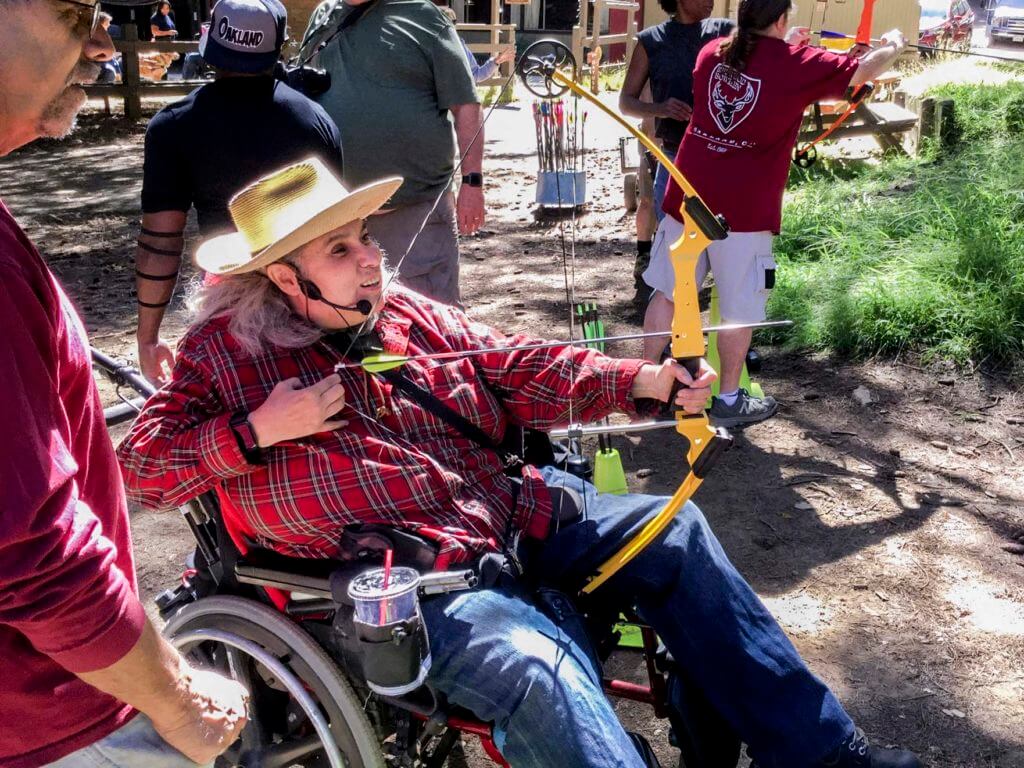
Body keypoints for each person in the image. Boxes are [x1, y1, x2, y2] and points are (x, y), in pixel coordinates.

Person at [118, 157, 922, 768]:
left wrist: (640, 381)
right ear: (280, 279)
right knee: (539, 665)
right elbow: (140, 469)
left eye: (364, 236)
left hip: (516, 513)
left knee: (674, 537)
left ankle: (821, 753)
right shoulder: (221, 358)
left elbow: (510, 365)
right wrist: (257, 430)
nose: (370, 258)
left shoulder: (397, 315)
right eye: (341, 249)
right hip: (414, 586)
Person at [0, 3, 248, 767]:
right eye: (77, 13)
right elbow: (32, 551)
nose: (105, 43)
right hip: (53, 718)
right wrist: (175, 699)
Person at [643, 0, 906, 428]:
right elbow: (862, 71)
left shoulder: (714, 52)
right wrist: (893, 45)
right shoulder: (794, 63)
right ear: (781, 20)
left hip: (688, 195)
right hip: (743, 211)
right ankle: (728, 398)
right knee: (738, 309)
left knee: (668, 293)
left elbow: (758, 67)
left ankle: (645, 388)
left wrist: (788, 47)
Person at [135, 0, 344, 383]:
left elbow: (160, 242)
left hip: (228, 304)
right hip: (313, 298)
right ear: (277, 48)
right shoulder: (315, 119)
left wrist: (147, 337)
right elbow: (337, 226)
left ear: (213, 46)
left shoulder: (173, 127)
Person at [301, 0, 485, 306]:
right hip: (337, 218)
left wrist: (473, 182)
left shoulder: (422, 14)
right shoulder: (323, 15)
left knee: (430, 323)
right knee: (351, 327)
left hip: (413, 210)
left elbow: (466, 104)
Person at [619, 0, 733, 226]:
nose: (711, 1)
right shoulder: (651, 41)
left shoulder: (726, 31)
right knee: (671, 242)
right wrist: (660, 109)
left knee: (719, 247)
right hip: (674, 159)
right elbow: (625, 102)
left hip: (720, 159)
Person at [440, 7, 515, 84]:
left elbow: (476, 74)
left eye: (453, 22)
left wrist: (495, 62)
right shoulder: (430, 48)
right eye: (444, 22)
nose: (450, 26)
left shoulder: (460, 46)